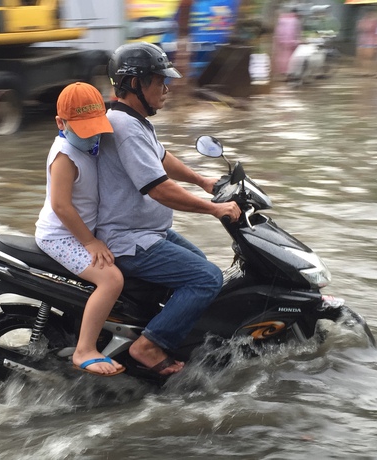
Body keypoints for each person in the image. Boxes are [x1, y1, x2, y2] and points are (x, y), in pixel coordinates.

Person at [96, 42, 242, 376]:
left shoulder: (134, 121)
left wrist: (203, 181)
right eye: (158, 81)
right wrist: (212, 209)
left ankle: (152, 325)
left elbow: (161, 159)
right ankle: (148, 345)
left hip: (147, 231)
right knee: (207, 278)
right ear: (134, 83)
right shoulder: (124, 126)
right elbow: (159, 188)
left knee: (201, 266)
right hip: (128, 239)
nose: (166, 88)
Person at [34, 82, 125, 377]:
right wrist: (90, 242)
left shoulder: (90, 146)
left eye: (96, 127)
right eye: (84, 130)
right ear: (61, 124)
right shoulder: (64, 156)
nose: (93, 135)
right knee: (111, 279)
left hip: (80, 231)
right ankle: (84, 349)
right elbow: (62, 206)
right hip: (60, 236)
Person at [272, 7, 302, 80]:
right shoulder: (295, 20)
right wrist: (297, 41)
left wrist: (278, 41)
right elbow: (296, 32)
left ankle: (282, 73)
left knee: (282, 58)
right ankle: (289, 73)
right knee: (291, 57)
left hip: (282, 42)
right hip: (291, 42)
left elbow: (278, 31)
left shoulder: (281, 19)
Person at [356, 8, 377, 76]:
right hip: (363, 40)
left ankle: (371, 71)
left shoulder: (376, 22)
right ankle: (364, 70)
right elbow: (359, 28)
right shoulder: (362, 21)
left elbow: (372, 29)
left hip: (372, 41)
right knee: (362, 57)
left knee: (370, 57)